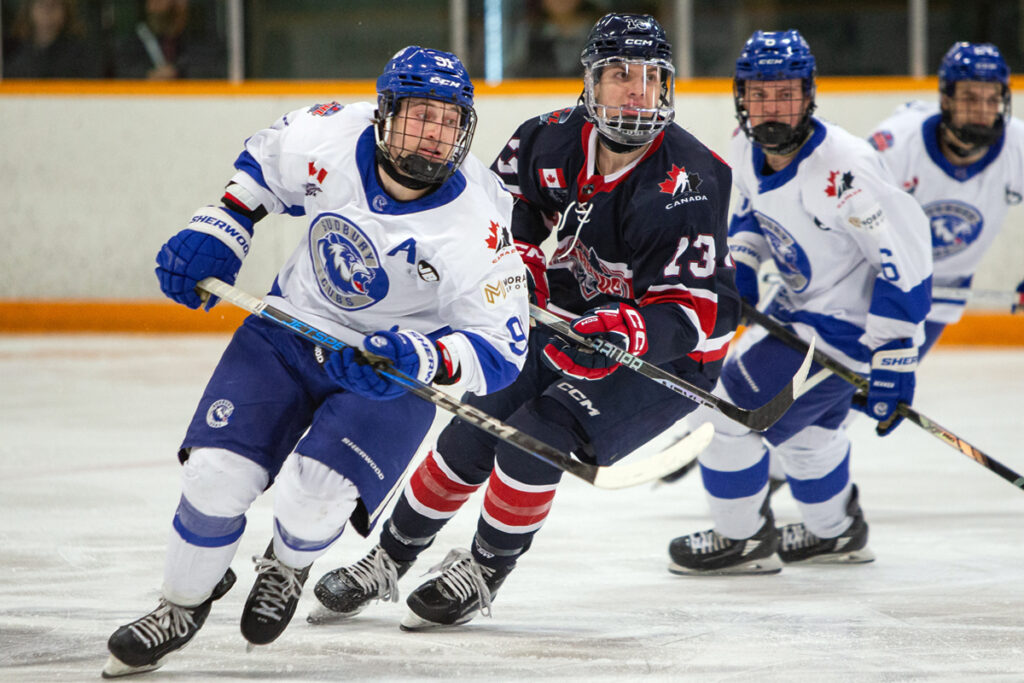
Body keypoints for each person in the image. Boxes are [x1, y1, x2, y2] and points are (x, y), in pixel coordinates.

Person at [102, 46, 526, 677]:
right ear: (384, 115)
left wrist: (420, 357)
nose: (434, 134)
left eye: (448, 120)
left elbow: (501, 349)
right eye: (418, 116)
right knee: (215, 476)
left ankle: (287, 563)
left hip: (386, 372)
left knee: (315, 496)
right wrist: (223, 226)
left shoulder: (478, 222)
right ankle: (182, 604)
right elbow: (262, 167)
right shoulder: (331, 132)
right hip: (288, 329)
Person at [310, 13, 738, 630]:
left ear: (667, 86)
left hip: (667, 357)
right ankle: (389, 558)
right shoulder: (546, 139)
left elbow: (689, 309)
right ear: (590, 82)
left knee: (541, 430)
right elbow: (503, 218)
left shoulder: (690, 179)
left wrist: (626, 331)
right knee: (475, 424)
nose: (636, 91)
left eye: (650, 77)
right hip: (562, 321)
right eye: (619, 75)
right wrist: (521, 263)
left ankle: (485, 569)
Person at [666, 30, 932, 575]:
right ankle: (834, 533)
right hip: (798, 317)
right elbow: (749, 218)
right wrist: (736, 270)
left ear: (809, 95)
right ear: (741, 97)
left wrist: (895, 353)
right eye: (759, 94)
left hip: (842, 334)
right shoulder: (744, 148)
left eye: (784, 94)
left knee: (724, 416)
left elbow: (905, 257)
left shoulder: (847, 168)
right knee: (810, 439)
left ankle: (741, 539)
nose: (771, 107)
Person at [867, 41, 1024, 355]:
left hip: (943, 293)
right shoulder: (897, 144)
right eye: (970, 98)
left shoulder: (1017, 146)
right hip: (874, 284)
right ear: (946, 99)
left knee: (879, 391)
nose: (982, 110)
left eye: (992, 99)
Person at [111, 0, 224, 79]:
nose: (154, 4)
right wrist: (147, 76)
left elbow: (214, 68)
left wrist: (178, 71)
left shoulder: (201, 41)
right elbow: (118, 72)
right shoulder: (131, 43)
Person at [3, 0, 102, 78]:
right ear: (30, 10)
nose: (47, 13)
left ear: (66, 10)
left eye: (54, 5)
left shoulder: (81, 57)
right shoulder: (14, 58)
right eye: (42, 4)